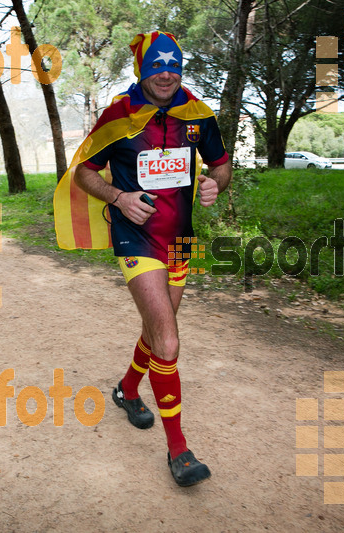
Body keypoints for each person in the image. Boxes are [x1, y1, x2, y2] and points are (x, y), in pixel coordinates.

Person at [53, 31, 231, 487]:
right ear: (142, 70)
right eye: (157, 67)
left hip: (180, 239)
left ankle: (128, 390)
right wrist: (118, 197)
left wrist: (214, 183)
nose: (167, 74)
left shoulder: (198, 113)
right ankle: (179, 451)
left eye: (174, 66)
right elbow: (83, 173)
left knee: (158, 329)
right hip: (136, 237)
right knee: (168, 342)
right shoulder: (119, 116)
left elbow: (221, 165)